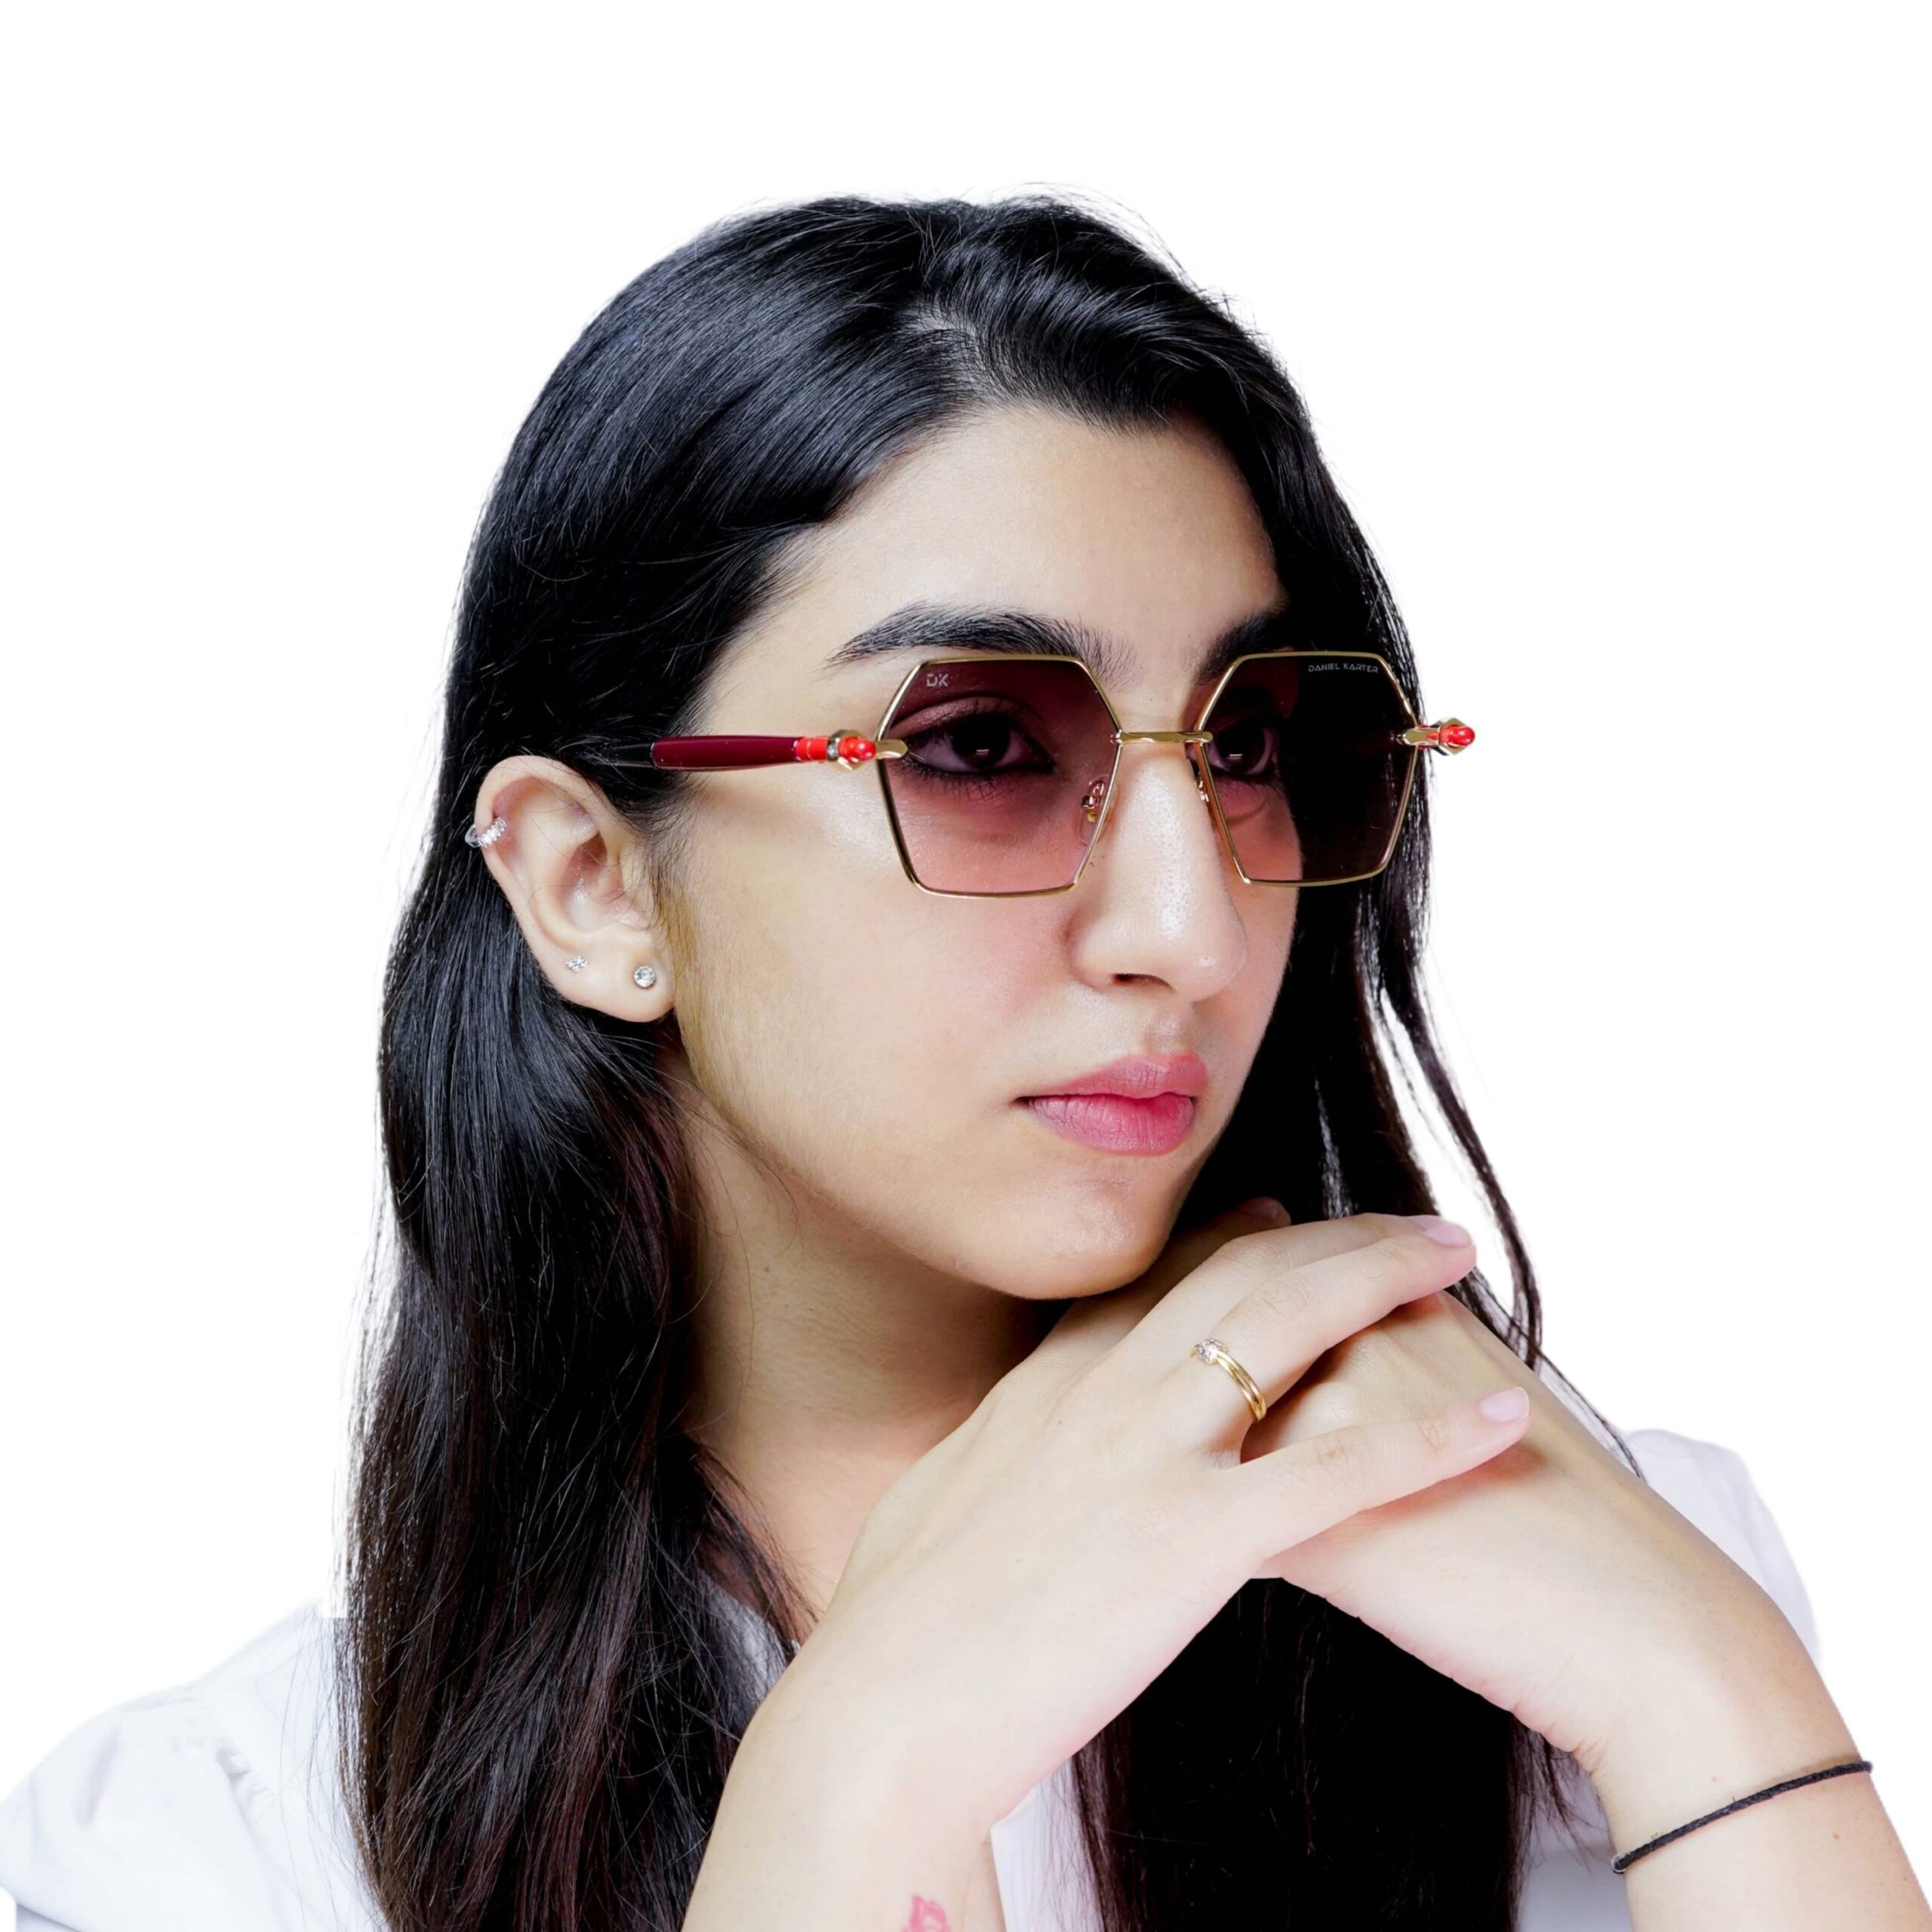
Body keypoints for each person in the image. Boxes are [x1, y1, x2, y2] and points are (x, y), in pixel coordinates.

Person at [2, 192, 1923, 1932]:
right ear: (592, 883)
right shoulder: (213, 1850)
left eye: (1247, 744)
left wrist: (1704, 1693)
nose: (1186, 922)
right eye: (979, 747)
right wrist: (859, 1762)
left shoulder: (1594, 1580)